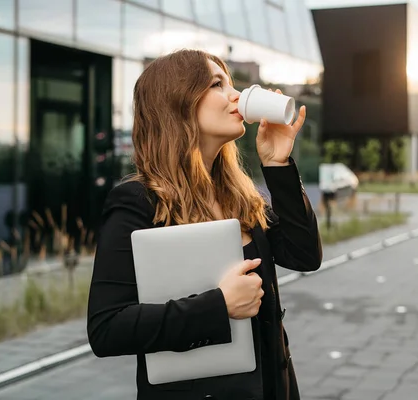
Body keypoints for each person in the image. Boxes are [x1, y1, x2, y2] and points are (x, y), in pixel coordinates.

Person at [87, 49, 322, 400]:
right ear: (177, 101)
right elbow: (107, 328)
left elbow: (305, 256)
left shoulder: (238, 195)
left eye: (230, 82)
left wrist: (278, 164)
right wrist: (219, 305)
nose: (237, 95)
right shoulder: (140, 201)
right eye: (217, 83)